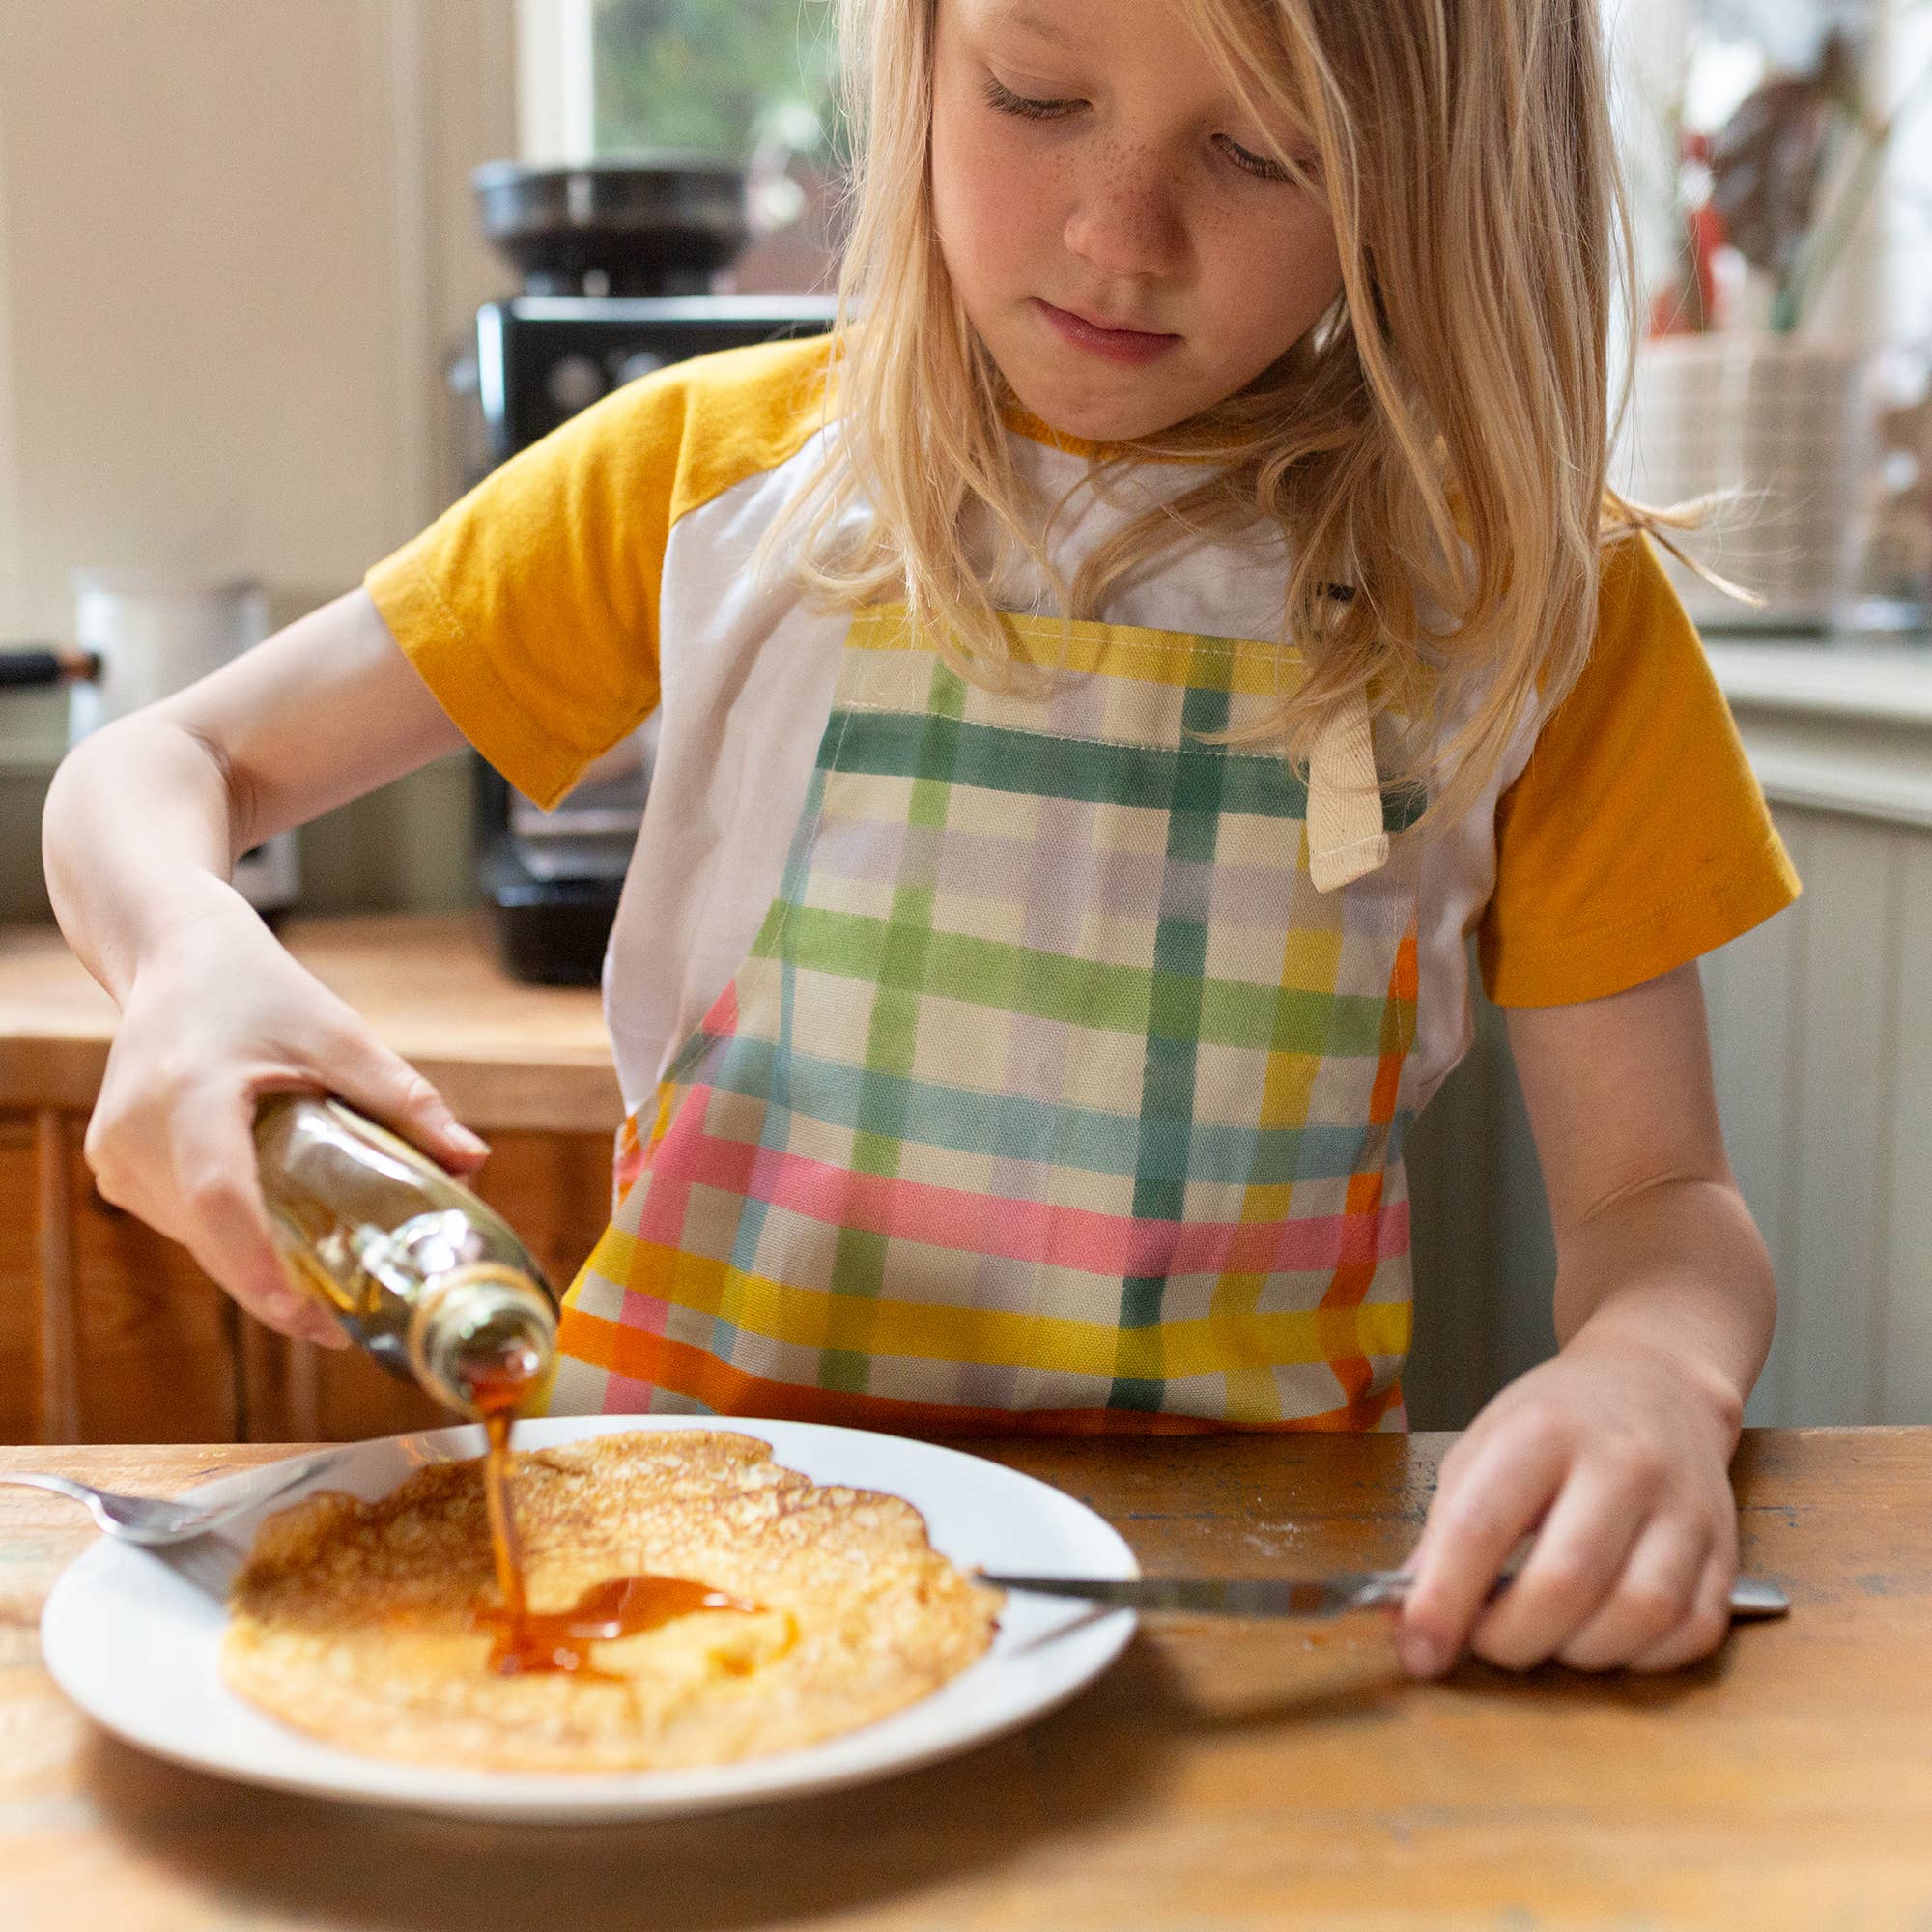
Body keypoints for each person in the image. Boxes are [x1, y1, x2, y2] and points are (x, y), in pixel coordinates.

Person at [42, 0, 1797, 1682]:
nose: (1122, 235)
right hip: (660, 1589)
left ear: (1442, 164)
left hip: (1226, 1620)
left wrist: (1653, 1375)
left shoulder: (1530, 613)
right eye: (1036, 96)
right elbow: (163, 762)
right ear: (918, 45)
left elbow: (1661, 1199)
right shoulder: (708, 484)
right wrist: (188, 960)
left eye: (1265, 150)